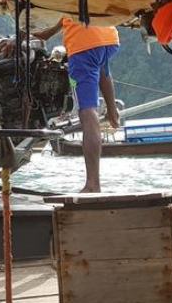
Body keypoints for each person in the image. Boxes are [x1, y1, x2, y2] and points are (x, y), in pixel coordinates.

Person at [35, 17, 121, 193]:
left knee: (88, 113)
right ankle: (113, 113)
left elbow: (45, 32)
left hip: (83, 45)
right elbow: (51, 30)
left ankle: (92, 184)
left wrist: (23, 33)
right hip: (108, 37)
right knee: (101, 64)